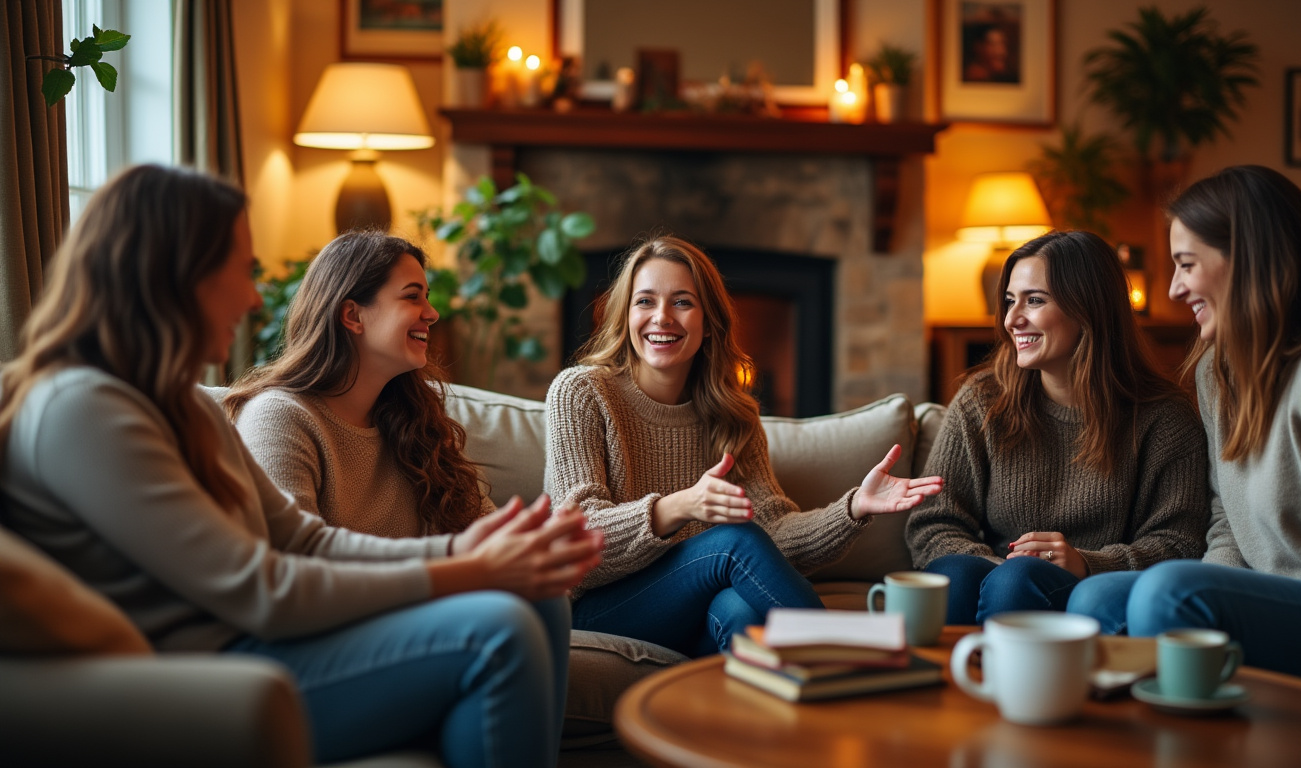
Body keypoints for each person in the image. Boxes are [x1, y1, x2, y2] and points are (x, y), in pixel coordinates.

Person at [0, 165, 602, 767]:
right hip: (211, 671)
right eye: (240, 270)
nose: (253, 298)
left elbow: (303, 539)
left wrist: (462, 551)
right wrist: (467, 570)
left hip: (257, 642)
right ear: (178, 272)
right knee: (499, 632)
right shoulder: (82, 409)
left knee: (539, 601)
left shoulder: (183, 404)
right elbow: (262, 589)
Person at [544, 236, 943, 658]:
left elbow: (773, 536)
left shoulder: (733, 416)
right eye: (645, 301)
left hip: (690, 613)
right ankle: (861, 658)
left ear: (708, 321)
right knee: (733, 540)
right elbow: (575, 539)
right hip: (598, 608)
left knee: (739, 608)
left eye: (682, 302)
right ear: (625, 315)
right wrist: (680, 506)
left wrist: (854, 508)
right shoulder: (582, 392)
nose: (661, 317)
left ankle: (784, 695)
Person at [1066, 166, 1301, 687]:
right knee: (1095, 597)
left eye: (1186, 265)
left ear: (1248, 259)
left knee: (1168, 592)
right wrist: (1217, 586)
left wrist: (1196, 591)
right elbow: (1227, 519)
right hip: (1271, 593)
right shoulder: (1217, 371)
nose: (1175, 289)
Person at [904, 230, 1208, 626]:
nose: (1012, 319)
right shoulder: (983, 400)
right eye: (1010, 300)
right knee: (956, 574)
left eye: (1034, 300)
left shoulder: (1164, 419)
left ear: (1087, 309)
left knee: (1016, 580)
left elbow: (1180, 543)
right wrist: (994, 566)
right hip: (999, 579)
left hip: (1091, 590)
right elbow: (933, 521)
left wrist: (1086, 562)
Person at [226, 231, 488, 541]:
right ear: (352, 315)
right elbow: (293, 555)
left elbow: (488, 530)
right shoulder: (278, 418)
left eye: (426, 297)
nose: (432, 314)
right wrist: (453, 557)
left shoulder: (418, 419)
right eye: (412, 296)